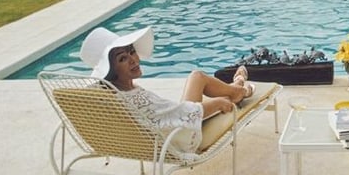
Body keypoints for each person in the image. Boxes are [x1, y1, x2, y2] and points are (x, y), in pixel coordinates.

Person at [81, 26, 255, 154]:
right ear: (111, 70)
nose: (133, 60)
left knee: (197, 77)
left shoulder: (115, 94)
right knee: (202, 81)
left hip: (165, 133)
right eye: (122, 59)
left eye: (132, 52)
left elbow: (169, 114)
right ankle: (239, 90)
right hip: (179, 139)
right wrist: (218, 103)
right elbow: (178, 115)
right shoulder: (137, 100)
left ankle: (235, 88)